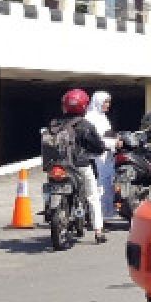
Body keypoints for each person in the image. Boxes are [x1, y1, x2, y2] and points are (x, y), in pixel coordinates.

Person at [54, 88, 112, 243]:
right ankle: (98, 232)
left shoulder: (55, 124)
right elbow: (97, 146)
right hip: (81, 165)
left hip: (58, 164)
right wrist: (102, 148)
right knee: (93, 196)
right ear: (84, 105)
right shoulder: (85, 125)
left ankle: (51, 207)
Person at [85, 91, 117, 224]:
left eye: (109, 102)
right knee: (98, 187)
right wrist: (112, 142)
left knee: (106, 185)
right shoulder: (90, 118)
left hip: (106, 157)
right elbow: (95, 140)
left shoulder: (103, 117)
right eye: (105, 102)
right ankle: (96, 217)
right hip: (97, 158)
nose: (108, 105)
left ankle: (105, 215)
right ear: (98, 102)